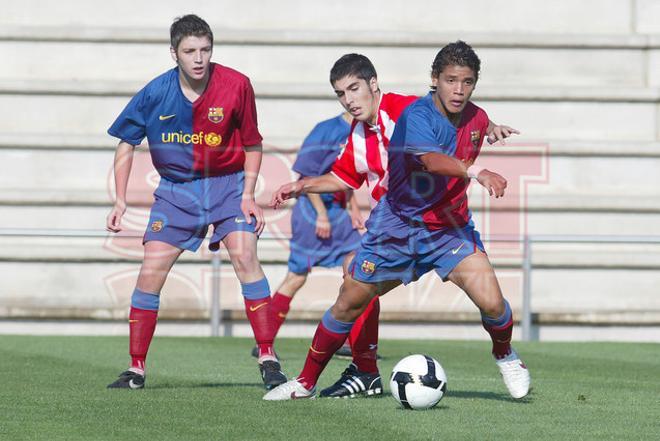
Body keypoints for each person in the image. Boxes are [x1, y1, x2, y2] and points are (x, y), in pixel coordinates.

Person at [264, 41, 530, 401]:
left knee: (494, 303)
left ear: (374, 84)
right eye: (341, 94)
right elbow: (347, 178)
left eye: (354, 89)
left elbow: (461, 123)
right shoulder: (362, 134)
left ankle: (505, 355)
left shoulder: (404, 108)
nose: (348, 100)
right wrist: (303, 184)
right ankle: (312, 381)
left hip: (447, 229)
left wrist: (489, 126)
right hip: (395, 229)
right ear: (436, 80)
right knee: (349, 297)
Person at [104, 14, 286, 390]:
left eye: (205, 49)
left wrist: (249, 195)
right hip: (176, 192)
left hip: (228, 187)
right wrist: (120, 201)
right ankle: (136, 368)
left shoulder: (236, 85)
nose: (199, 58)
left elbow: (252, 144)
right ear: (174, 53)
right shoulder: (155, 92)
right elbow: (126, 143)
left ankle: (268, 356)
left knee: (245, 256)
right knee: (151, 270)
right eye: (190, 51)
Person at [250, 112, 364, 356]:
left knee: (360, 271)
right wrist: (321, 214)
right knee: (297, 276)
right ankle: (264, 341)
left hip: (338, 215)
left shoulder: (361, 130)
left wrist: (354, 210)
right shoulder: (325, 130)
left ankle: (353, 341)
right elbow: (307, 178)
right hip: (313, 214)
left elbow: (345, 178)